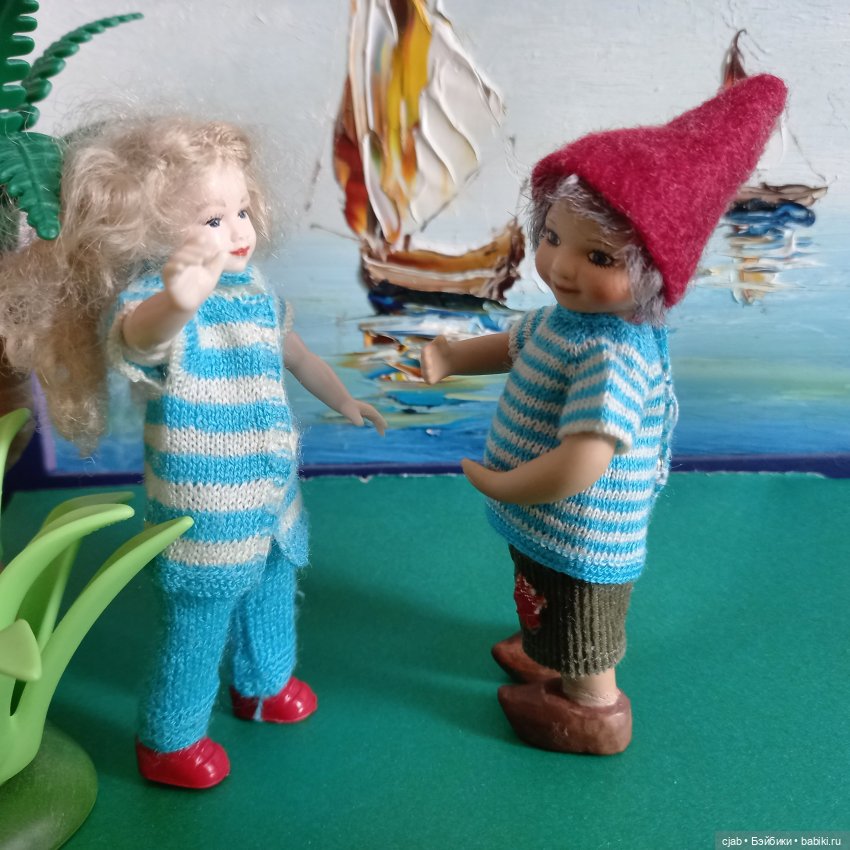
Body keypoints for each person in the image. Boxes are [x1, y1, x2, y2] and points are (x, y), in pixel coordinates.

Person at [0, 115, 386, 787]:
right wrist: (179, 301)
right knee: (200, 618)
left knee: (273, 583)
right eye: (212, 219)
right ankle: (170, 739)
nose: (238, 230)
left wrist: (343, 398)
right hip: (205, 503)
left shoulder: (254, 289)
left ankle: (263, 683)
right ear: (149, 230)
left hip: (271, 492)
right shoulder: (154, 301)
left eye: (241, 211)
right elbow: (141, 343)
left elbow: (293, 352)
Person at [421, 74, 787, 754]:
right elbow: (512, 345)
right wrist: (451, 356)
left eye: (598, 256)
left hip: (581, 527)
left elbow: (585, 458)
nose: (561, 266)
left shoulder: (614, 355)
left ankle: (592, 706)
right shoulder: (566, 322)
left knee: (585, 617)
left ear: (654, 270)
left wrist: (506, 482)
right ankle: (545, 648)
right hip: (546, 520)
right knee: (542, 588)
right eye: (552, 237)